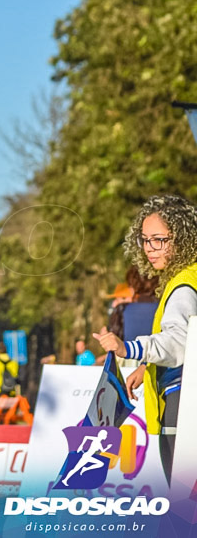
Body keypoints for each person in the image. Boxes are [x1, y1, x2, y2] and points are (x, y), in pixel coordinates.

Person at [94, 194, 197, 482]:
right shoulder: (191, 276)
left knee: (184, 508)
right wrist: (146, 366)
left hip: (182, 403)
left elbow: (178, 344)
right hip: (185, 399)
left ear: (182, 238)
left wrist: (129, 347)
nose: (149, 248)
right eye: (144, 239)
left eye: (158, 240)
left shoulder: (183, 286)